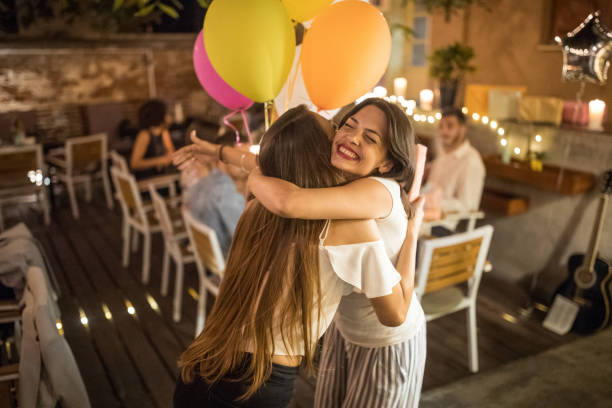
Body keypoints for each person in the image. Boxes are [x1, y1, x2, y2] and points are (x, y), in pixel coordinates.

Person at [174, 98, 427, 407]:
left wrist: (222, 154)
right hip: (258, 382)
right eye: (341, 128)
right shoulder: (352, 226)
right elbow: (395, 314)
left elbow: (269, 169)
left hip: (205, 358)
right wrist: (413, 231)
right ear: (323, 157)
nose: (344, 137)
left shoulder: (259, 202)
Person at [181, 131, 246, 259]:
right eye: (242, 158)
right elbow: (246, 241)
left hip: (212, 259)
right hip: (232, 261)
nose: (247, 164)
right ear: (223, 160)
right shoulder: (226, 195)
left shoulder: (204, 182)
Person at [423, 107, 486, 234]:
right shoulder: (443, 154)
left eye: (450, 126)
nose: (444, 131)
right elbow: (431, 187)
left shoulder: (471, 161)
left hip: (443, 224)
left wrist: (431, 203)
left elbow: (468, 205)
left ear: (462, 129)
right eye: (441, 126)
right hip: (423, 214)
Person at [130, 99, 176, 180]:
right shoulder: (144, 135)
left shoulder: (163, 131)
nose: (168, 116)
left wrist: (169, 155)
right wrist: (160, 160)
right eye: (166, 113)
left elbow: (171, 150)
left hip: (161, 174)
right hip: (147, 179)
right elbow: (134, 163)